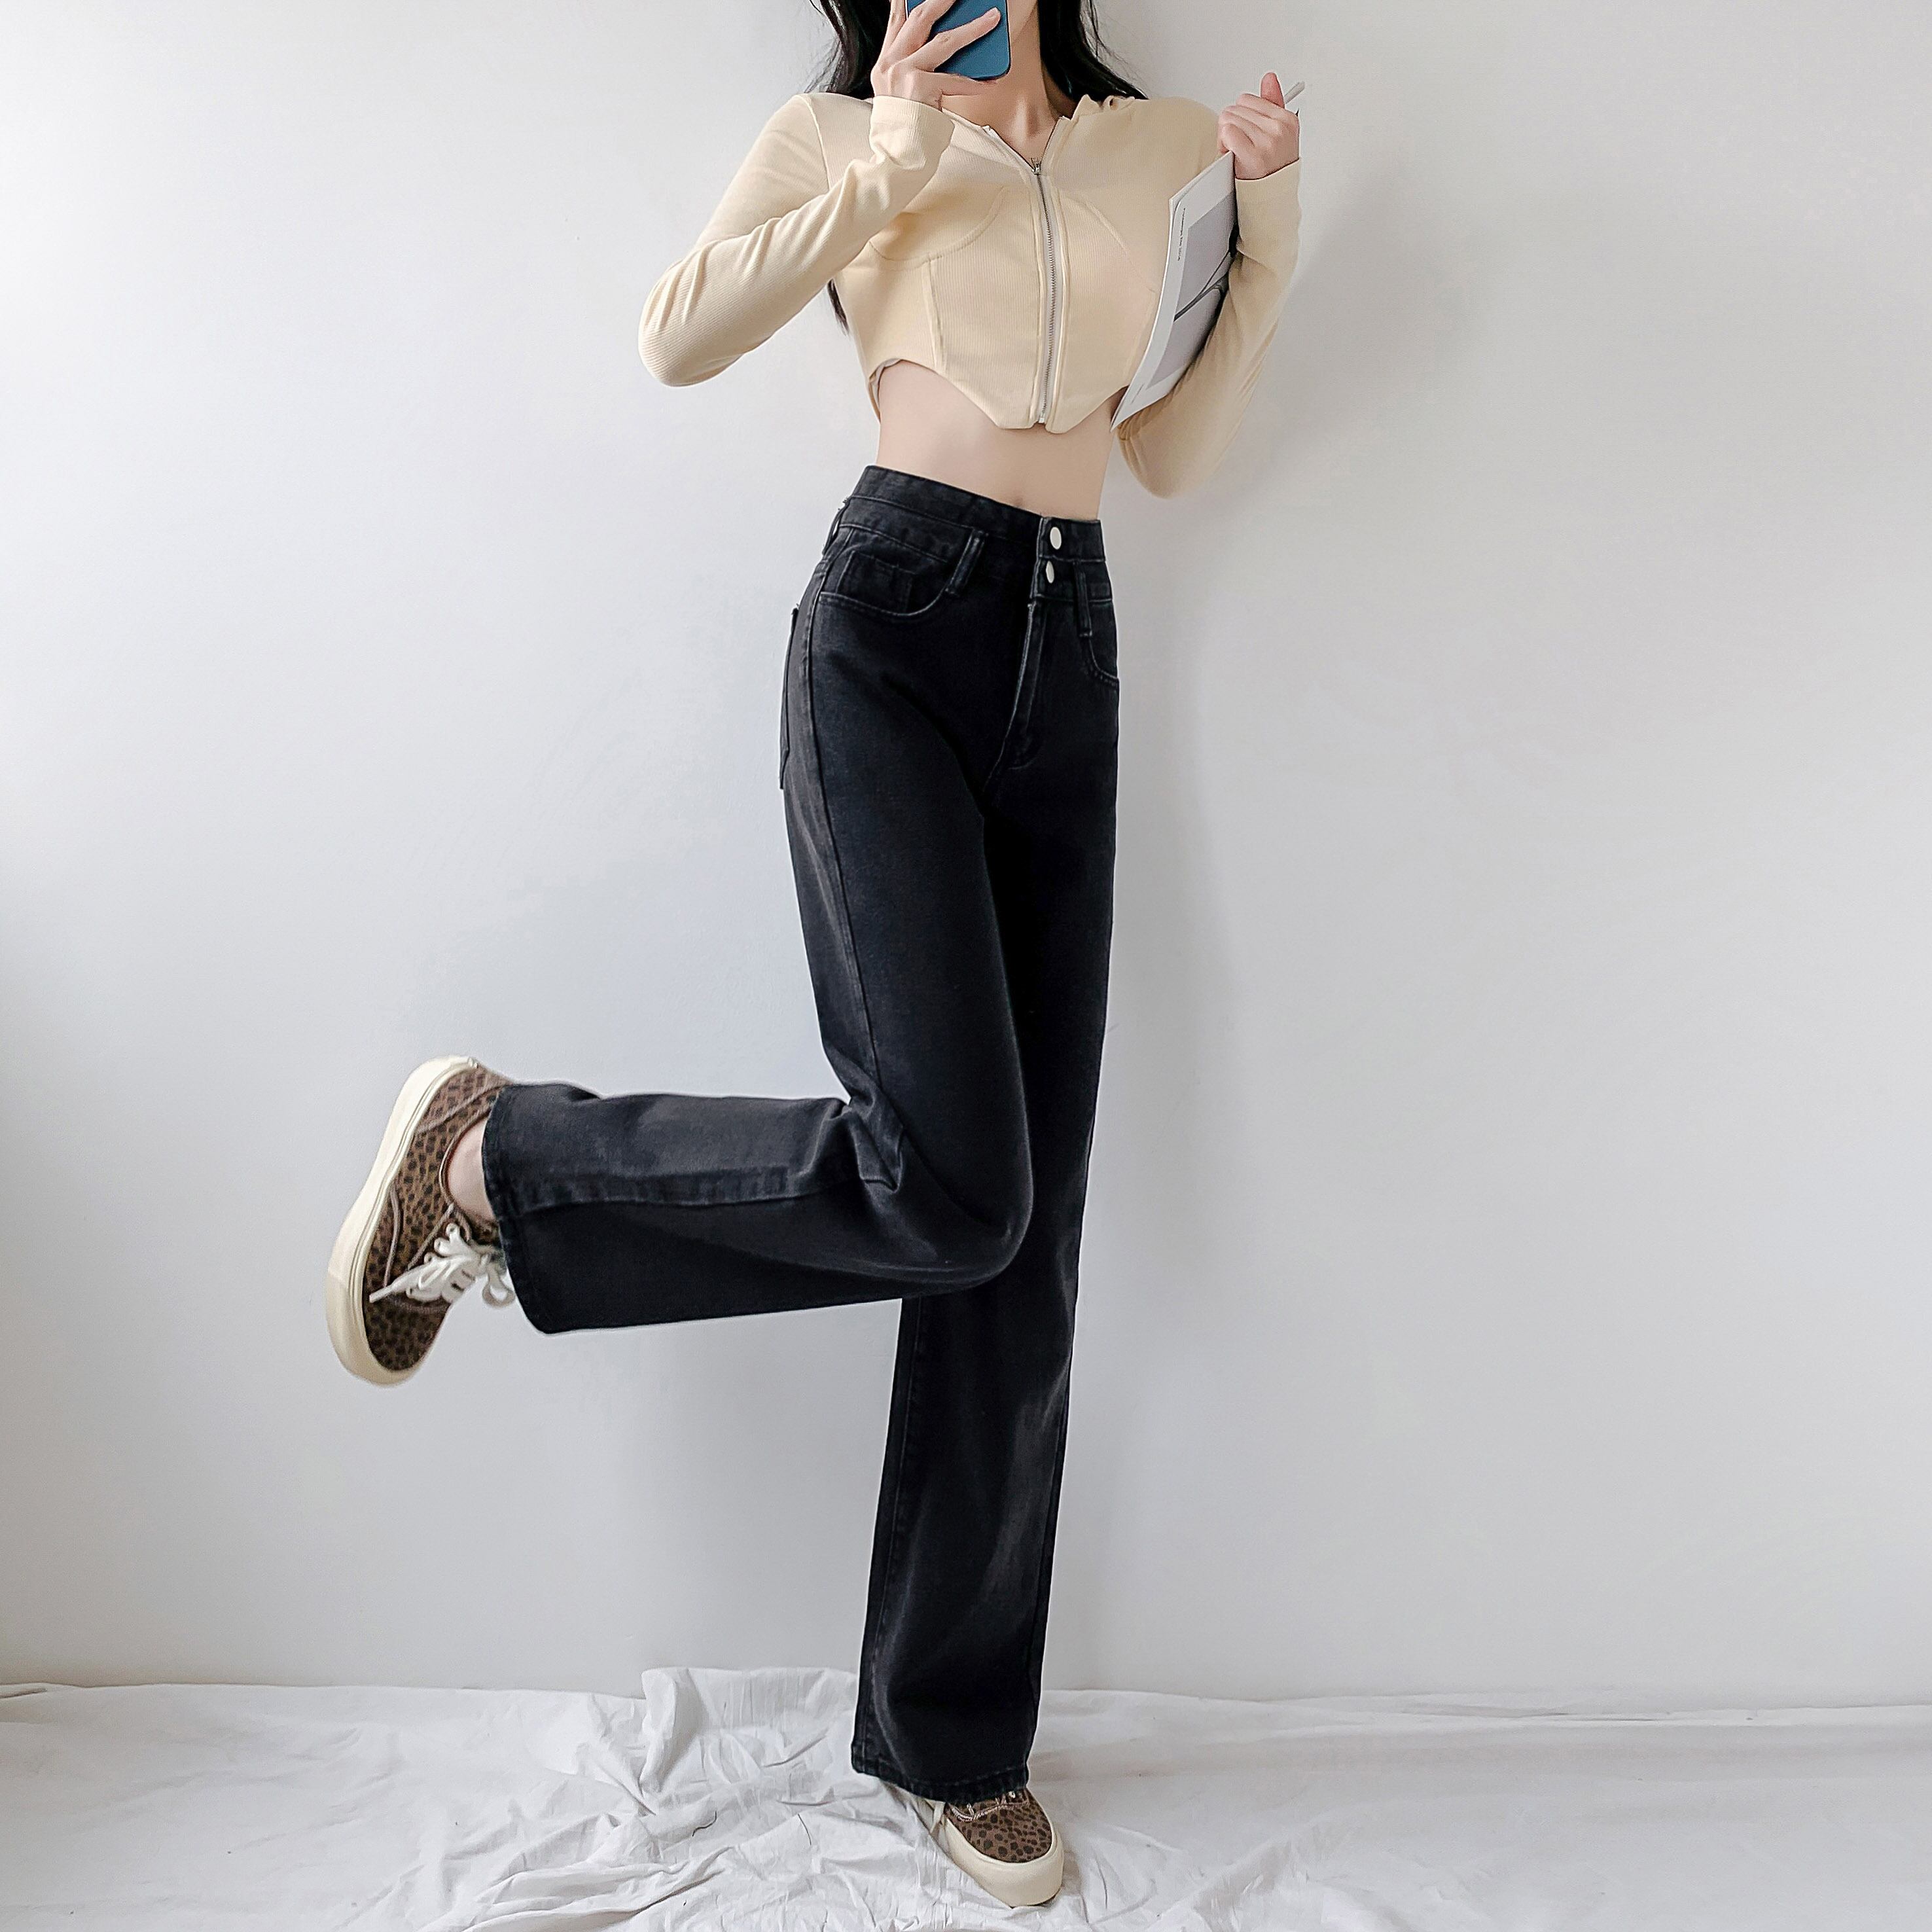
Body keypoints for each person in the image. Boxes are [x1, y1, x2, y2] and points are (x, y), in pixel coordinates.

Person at [325, 0, 1299, 1907]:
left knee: (1016, 1233)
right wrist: (891, 160)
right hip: (892, 626)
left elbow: (1170, 455)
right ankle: (503, 1156)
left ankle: (955, 1743)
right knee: (954, 1183)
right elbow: (678, 336)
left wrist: (1263, 239)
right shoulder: (844, 133)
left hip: (1072, 650)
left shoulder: (1165, 145)